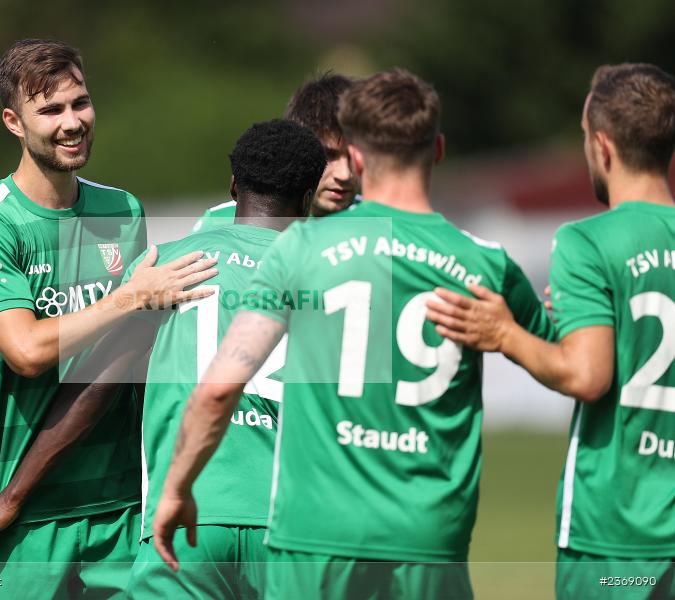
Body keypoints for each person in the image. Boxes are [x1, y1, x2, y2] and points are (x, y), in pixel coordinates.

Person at [152, 69, 553, 599]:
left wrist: (175, 484)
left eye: (347, 156)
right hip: (414, 526)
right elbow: (575, 364)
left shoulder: (300, 247)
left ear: (361, 157)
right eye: (325, 156)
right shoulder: (479, 258)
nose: (339, 173)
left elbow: (218, 386)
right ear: (437, 150)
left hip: (314, 524)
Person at [0, 118, 325, 599]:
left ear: (233, 187)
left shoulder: (171, 268)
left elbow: (100, 382)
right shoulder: (340, 281)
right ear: (310, 196)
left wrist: (12, 495)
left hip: (187, 519)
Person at [0, 38, 215, 599]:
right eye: (50, 110)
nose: (72, 122)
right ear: (13, 122)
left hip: (120, 509)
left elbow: (124, 356)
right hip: (17, 516)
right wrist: (130, 298)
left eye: (80, 103)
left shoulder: (119, 210)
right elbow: (26, 352)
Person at [425, 63, 675, 599]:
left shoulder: (590, 241)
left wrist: (503, 334)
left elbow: (587, 376)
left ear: (603, 146)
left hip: (619, 537)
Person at [192, 72, 356, 232]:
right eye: (328, 156)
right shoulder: (219, 221)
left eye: (354, 157)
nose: (345, 174)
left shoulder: (379, 225)